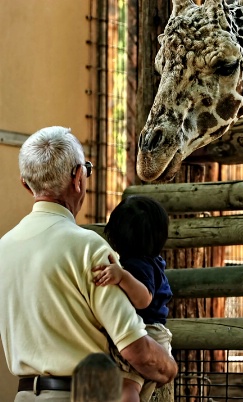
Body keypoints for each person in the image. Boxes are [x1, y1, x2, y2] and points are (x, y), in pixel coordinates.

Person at [0, 126, 177, 402]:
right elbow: (136, 350)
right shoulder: (88, 247)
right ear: (79, 178)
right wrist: (170, 367)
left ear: (25, 184)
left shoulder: (3, 249)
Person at [92, 195, 173, 402]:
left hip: (147, 334)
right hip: (154, 334)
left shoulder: (138, 266)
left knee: (128, 387)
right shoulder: (151, 261)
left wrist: (122, 277)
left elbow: (144, 299)